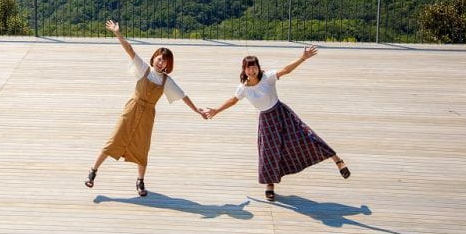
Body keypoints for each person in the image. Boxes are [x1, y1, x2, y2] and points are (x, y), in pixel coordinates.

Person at [206, 46, 350, 201]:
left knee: (307, 136)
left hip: (282, 114)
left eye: (254, 67)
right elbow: (233, 100)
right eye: (248, 68)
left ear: (258, 68)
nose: (251, 70)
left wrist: (303, 58)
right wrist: (216, 110)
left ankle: (338, 161)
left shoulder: (267, 77)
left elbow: (286, 70)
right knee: (268, 153)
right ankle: (270, 185)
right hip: (266, 121)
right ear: (244, 70)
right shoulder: (243, 88)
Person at [85, 19, 207, 196]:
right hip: (132, 108)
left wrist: (197, 110)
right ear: (154, 58)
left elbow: (183, 96)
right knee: (115, 139)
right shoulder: (144, 69)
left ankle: (140, 181)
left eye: (164, 61)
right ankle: (93, 171)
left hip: (148, 115)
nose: (160, 63)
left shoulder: (167, 81)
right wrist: (117, 32)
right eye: (159, 59)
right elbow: (130, 50)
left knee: (142, 148)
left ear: (168, 65)